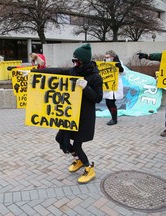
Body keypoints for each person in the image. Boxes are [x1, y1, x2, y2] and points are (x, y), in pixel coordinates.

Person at [31, 44, 103, 184]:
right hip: (70, 115)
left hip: (84, 118)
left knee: (77, 145)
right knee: (60, 138)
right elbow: (57, 71)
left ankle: (89, 167)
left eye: (76, 61)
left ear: (83, 61)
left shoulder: (95, 77)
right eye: (73, 61)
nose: (74, 63)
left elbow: (98, 98)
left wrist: (86, 87)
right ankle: (78, 160)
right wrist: (35, 72)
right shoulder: (74, 71)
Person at [103, 50, 124, 125]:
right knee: (108, 102)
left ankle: (114, 119)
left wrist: (119, 67)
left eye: (108, 57)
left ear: (112, 57)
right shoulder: (104, 64)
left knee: (111, 102)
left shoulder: (118, 63)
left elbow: (123, 73)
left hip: (115, 85)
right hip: (107, 86)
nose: (106, 59)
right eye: (105, 57)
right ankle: (112, 116)